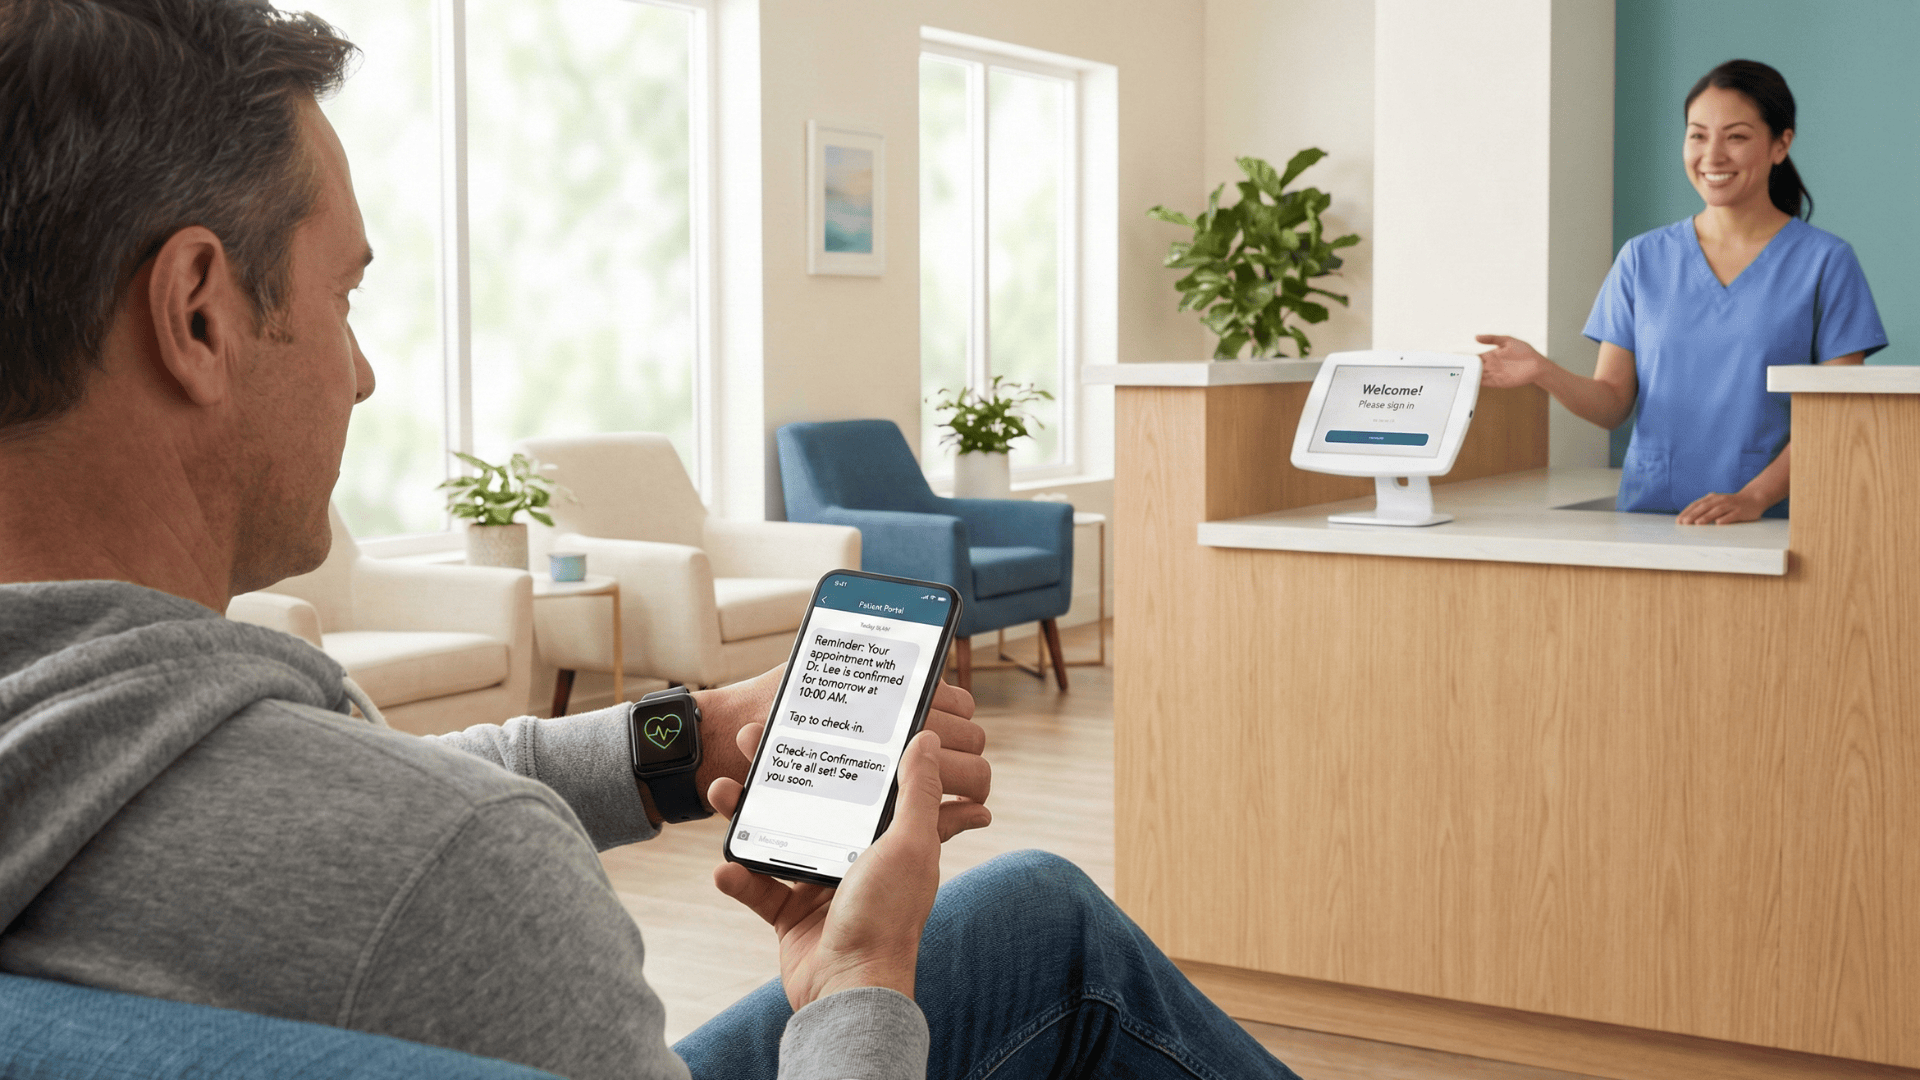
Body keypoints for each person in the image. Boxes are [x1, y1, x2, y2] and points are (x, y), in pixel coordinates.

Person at [0, 2, 1301, 1078]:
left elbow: (347, 800)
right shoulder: (460, 883)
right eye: (344, 295)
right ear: (199, 314)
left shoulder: (83, 745)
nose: (366, 372)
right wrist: (853, 980)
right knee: (1042, 949)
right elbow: (402, 835)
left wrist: (691, 741)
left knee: (1033, 919)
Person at [1476, 59, 1887, 524]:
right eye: (1697, 134)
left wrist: (1754, 497)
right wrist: (1542, 371)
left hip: (1777, 523)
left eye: (1736, 136)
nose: (1712, 155)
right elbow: (1613, 403)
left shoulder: (1826, 263)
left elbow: (1837, 415)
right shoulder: (1642, 258)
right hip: (1652, 518)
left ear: (1780, 145)